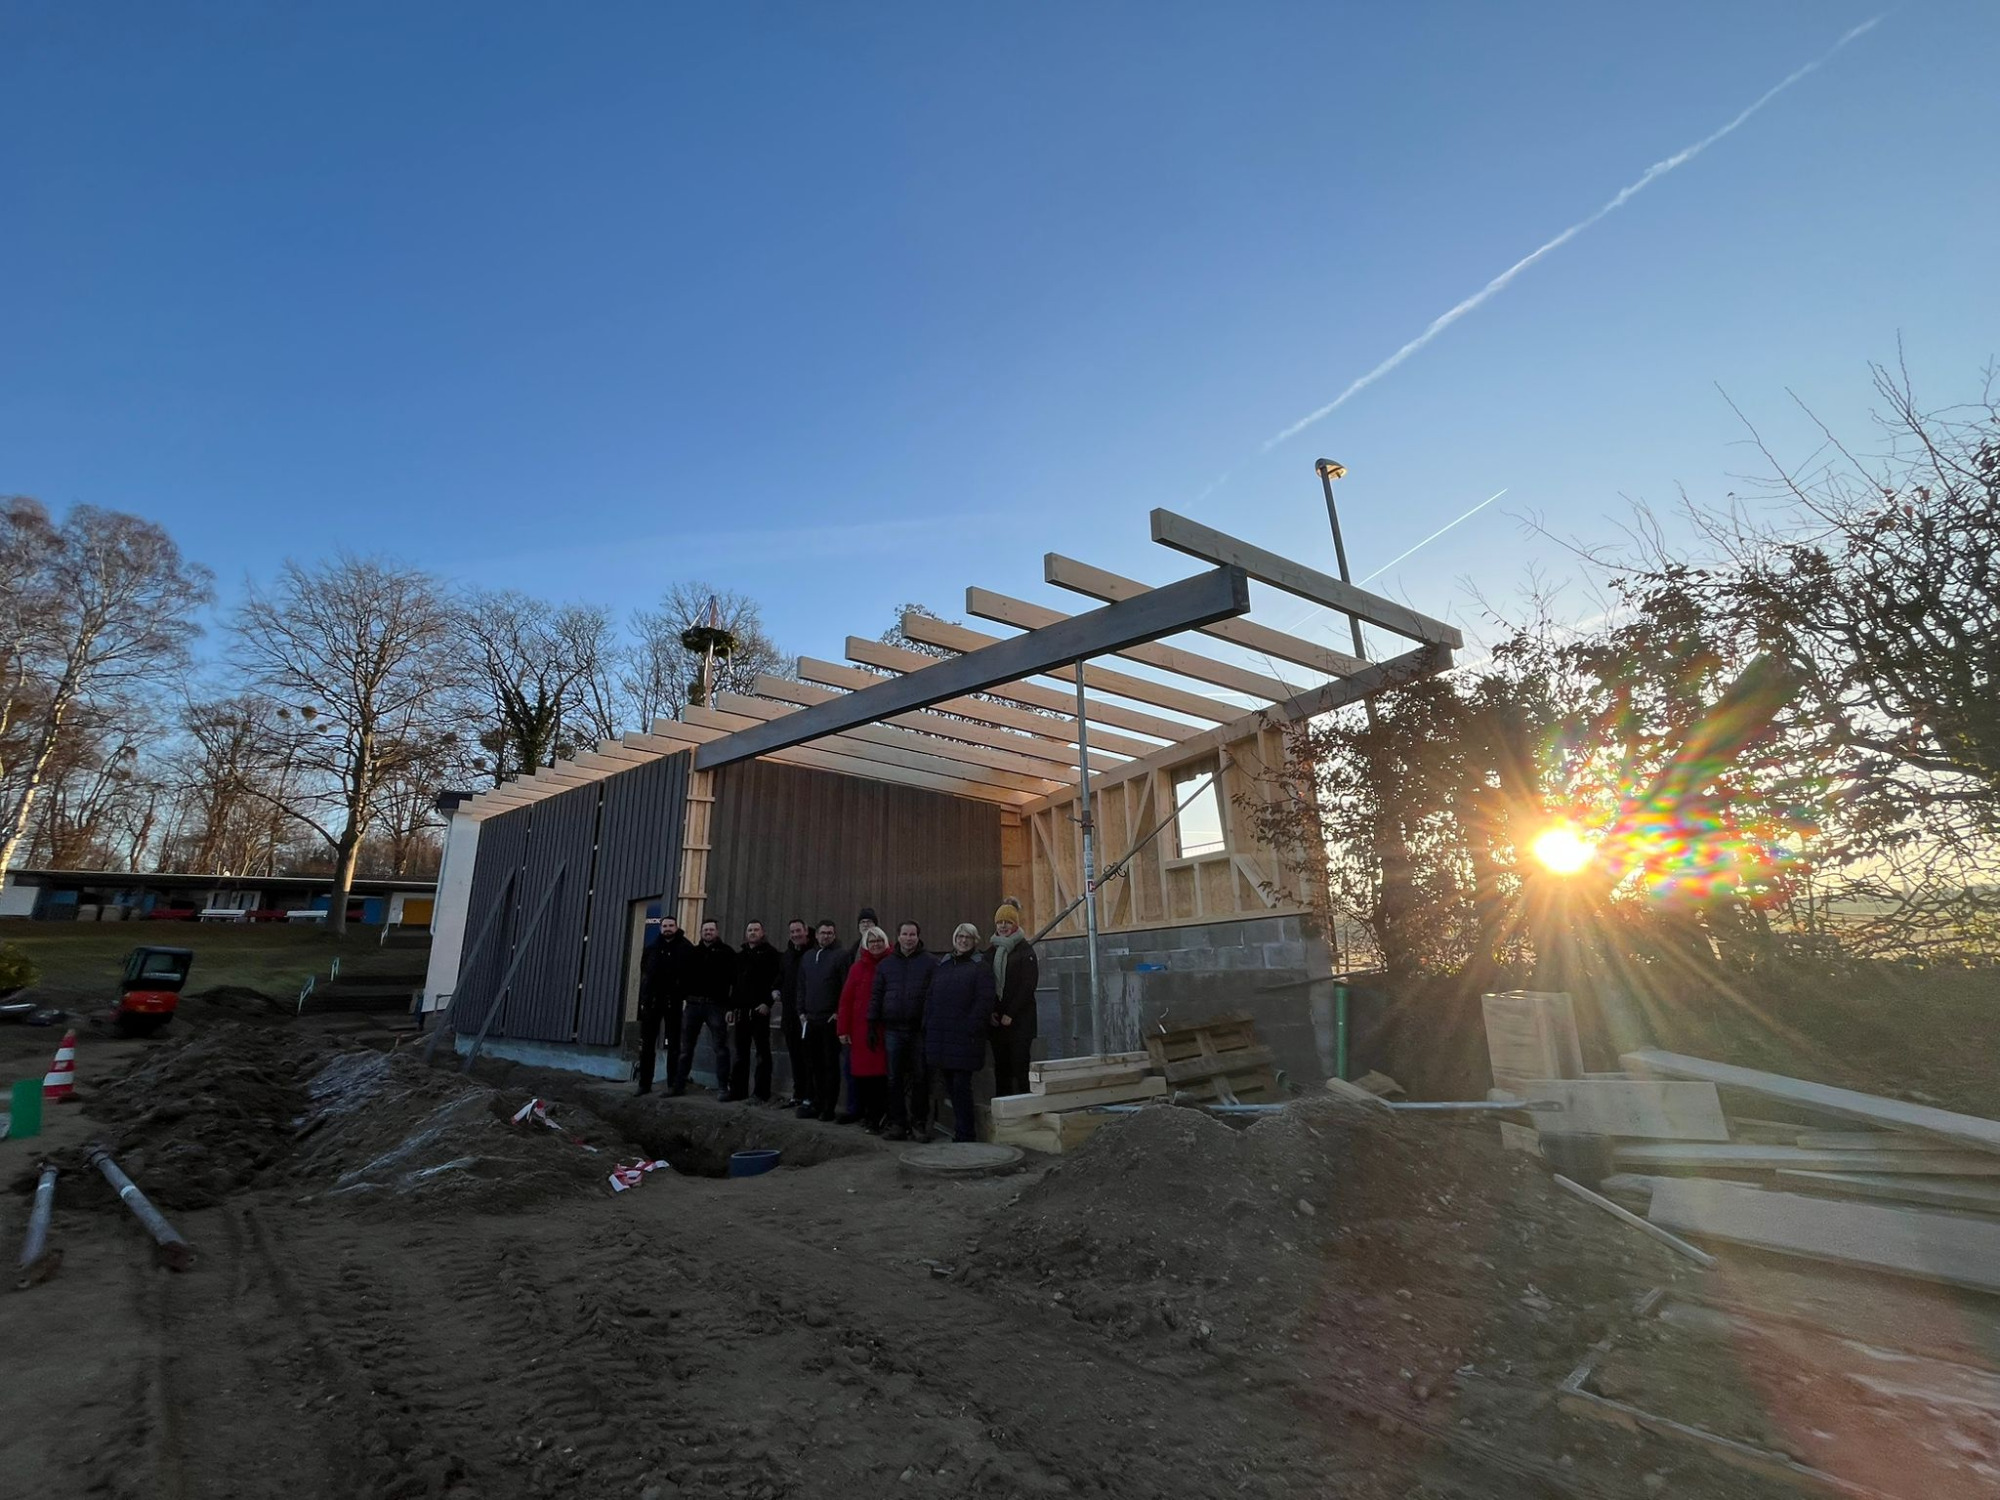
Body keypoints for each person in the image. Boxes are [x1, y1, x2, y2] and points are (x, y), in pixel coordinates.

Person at [926, 922, 997, 1142]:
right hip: (943, 1036)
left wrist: (971, 1026)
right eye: (960, 937)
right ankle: (960, 1131)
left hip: (966, 1038)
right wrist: (929, 1022)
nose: (963, 941)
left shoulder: (980, 966)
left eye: (968, 937)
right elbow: (931, 997)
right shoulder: (944, 965)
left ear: (975, 941)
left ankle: (966, 1133)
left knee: (961, 1086)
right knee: (950, 1086)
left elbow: (984, 1000)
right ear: (954, 940)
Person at [871, 920, 937, 1141]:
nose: (909, 938)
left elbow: (935, 996)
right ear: (898, 937)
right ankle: (898, 1123)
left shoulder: (930, 963)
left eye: (912, 934)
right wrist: (872, 1023)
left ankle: (919, 1123)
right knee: (893, 1078)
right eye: (905, 934)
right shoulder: (886, 965)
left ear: (918, 937)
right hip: (892, 1029)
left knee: (921, 1078)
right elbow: (876, 995)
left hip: (919, 1030)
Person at [672, 917, 738, 1097]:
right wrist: (684, 996)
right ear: (701, 932)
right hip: (693, 1005)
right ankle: (678, 1086)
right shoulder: (692, 953)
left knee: (720, 1048)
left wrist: (730, 1007)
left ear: (717, 932)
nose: (708, 932)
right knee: (685, 1049)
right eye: (705, 930)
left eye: (711, 929)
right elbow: (682, 977)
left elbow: (735, 982)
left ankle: (723, 1087)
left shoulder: (727, 953)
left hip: (716, 1006)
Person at [836, 925, 891, 1130]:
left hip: (883, 1028)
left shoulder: (891, 964)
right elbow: (846, 1001)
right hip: (859, 1029)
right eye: (871, 941)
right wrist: (843, 1029)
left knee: (881, 1075)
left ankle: (879, 1116)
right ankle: (866, 1114)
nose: (875, 944)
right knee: (862, 1075)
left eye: (879, 941)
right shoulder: (857, 968)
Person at [635, 914, 693, 1095]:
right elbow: (645, 973)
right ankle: (644, 1084)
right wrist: (644, 999)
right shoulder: (652, 948)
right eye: (665, 926)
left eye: (671, 925)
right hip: (653, 1002)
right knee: (648, 1045)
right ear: (660, 928)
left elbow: (691, 975)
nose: (668, 928)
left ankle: (673, 1085)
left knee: (675, 1045)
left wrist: (683, 994)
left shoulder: (686, 948)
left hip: (674, 1002)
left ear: (676, 927)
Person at [794, 920, 847, 1121]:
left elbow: (845, 986)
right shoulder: (808, 957)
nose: (826, 936)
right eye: (823, 933)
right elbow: (802, 985)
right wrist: (801, 1011)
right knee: (812, 1064)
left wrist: (838, 1012)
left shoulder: (841, 956)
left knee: (829, 1065)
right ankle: (814, 1103)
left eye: (830, 933)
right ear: (816, 935)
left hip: (829, 1020)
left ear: (834, 935)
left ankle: (828, 1107)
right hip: (810, 1019)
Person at [988, 900, 1040, 1098]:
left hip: (1020, 1021)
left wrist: (1011, 1013)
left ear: (1015, 925)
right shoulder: (991, 951)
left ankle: (1024, 1105)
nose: (1003, 926)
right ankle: (1003, 1107)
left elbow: (1028, 985)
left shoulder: (1025, 951)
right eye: (1000, 922)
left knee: (1020, 1066)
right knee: (1001, 1068)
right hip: (997, 1022)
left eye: (1007, 922)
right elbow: (987, 984)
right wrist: (991, 1011)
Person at [730, 920, 782, 1104]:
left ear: (762, 933)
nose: (752, 932)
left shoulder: (772, 955)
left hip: (760, 1012)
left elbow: (776, 981)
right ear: (746, 934)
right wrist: (731, 1008)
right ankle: (738, 1091)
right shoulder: (740, 956)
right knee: (740, 1053)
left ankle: (761, 1093)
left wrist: (768, 1003)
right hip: (741, 1012)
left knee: (762, 1054)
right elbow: (735, 984)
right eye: (750, 930)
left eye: (756, 930)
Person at [775, 917, 813, 1109]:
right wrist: (775, 989)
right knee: (795, 1057)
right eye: (792, 932)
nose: (795, 935)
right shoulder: (787, 955)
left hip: (807, 1016)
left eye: (798, 931)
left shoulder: (813, 954)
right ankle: (798, 1094)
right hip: (789, 1016)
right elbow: (781, 977)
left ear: (806, 931)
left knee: (809, 1057)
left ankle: (810, 1095)